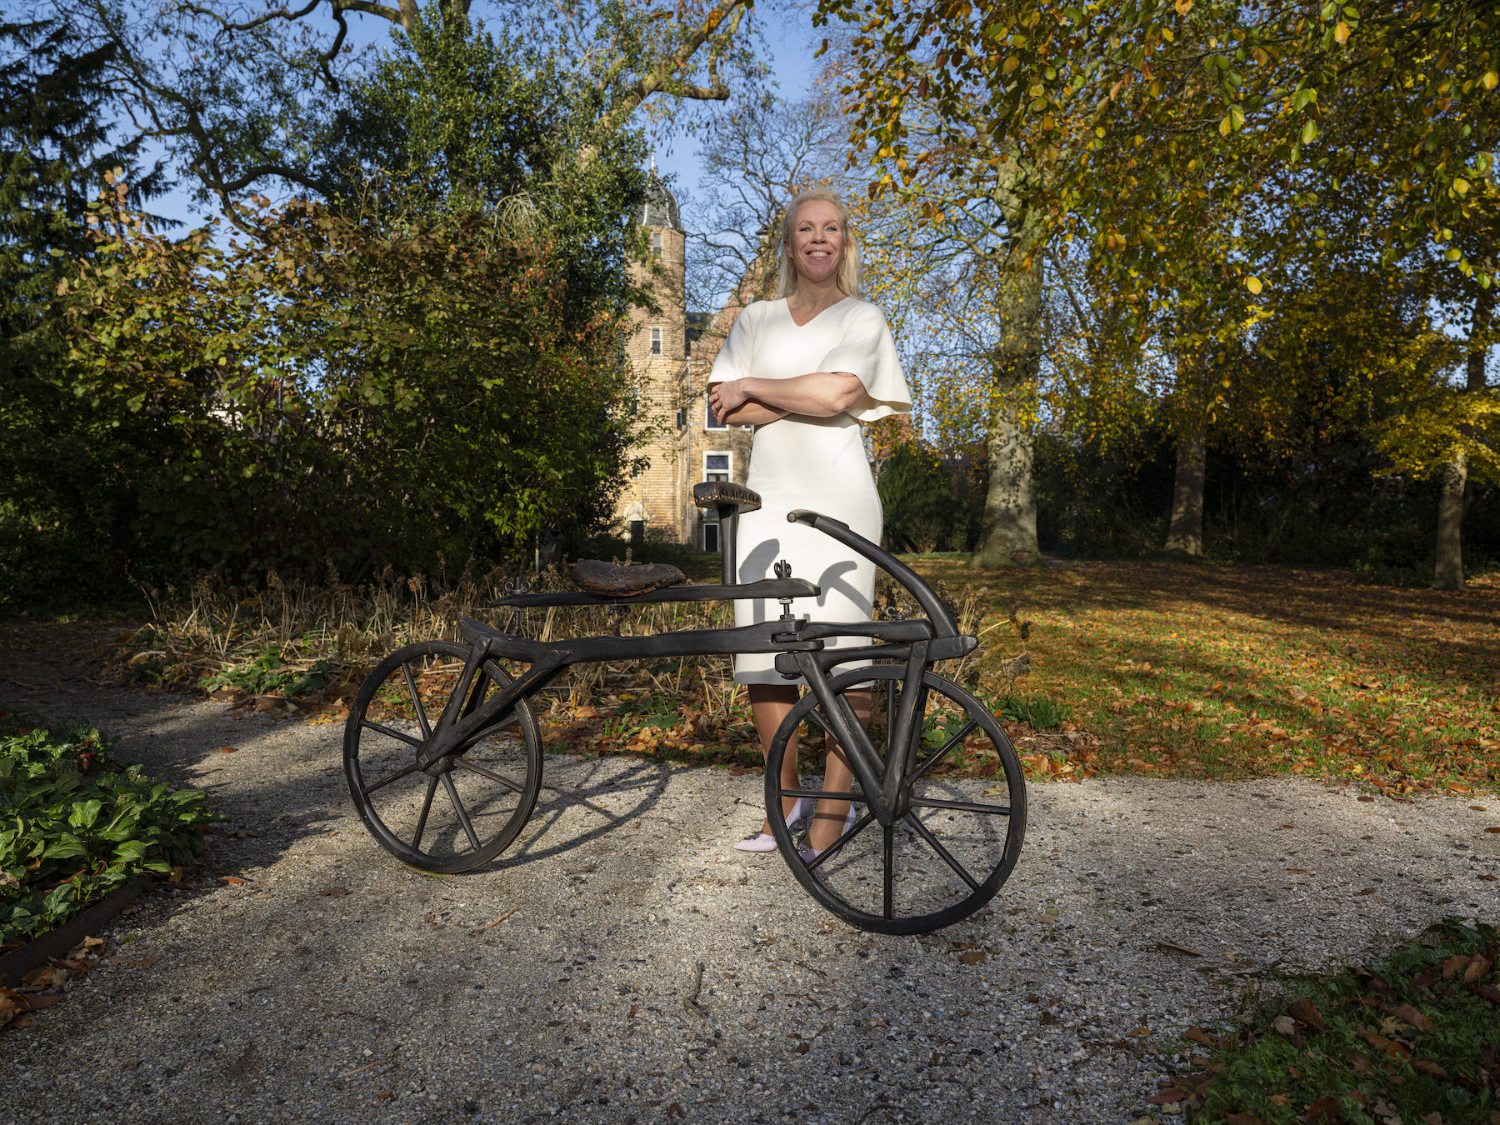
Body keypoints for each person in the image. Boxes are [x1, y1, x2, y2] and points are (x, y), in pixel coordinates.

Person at [707, 188, 912, 858]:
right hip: (764, 499)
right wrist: (792, 390)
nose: (819, 238)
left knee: (844, 653)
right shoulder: (756, 318)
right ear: (788, 243)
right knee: (765, 657)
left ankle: (833, 809)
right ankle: (783, 801)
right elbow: (725, 410)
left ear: (844, 242)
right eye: (805, 229)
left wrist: (759, 384)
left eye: (831, 228)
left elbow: (839, 395)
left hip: (841, 497)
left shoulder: (865, 317)